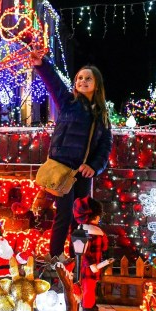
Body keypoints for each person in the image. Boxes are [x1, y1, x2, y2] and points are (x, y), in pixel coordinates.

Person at [31, 56, 112, 258]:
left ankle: (78, 258)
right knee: (64, 214)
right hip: (63, 170)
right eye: (79, 78)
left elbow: (105, 145)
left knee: (82, 218)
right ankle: (56, 257)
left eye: (88, 79)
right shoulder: (69, 103)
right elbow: (54, 83)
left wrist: (94, 166)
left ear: (97, 84)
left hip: (83, 173)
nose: (82, 81)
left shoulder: (102, 115)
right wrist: (42, 64)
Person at [72, 196, 108, 311]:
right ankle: (87, 305)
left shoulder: (93, 231)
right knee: (88, 286)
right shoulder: (90, 233)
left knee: (90, 286)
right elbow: (84, 252)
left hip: (93, 265)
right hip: (89, 267)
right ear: (95, 217)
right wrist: (91, 264)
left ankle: (89, 303)